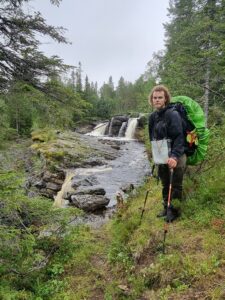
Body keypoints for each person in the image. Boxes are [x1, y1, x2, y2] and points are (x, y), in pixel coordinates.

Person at [148, 85, 186, 222]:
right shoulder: (152, 117)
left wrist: (175, 157)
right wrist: (155, 155)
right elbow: (152, 137)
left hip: (176, 154)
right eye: (155, 98)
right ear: (151, 100)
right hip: (162, 153)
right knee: (165, 182)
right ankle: (166, 206)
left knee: (175, 184)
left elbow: (179, 137)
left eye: (160, 97)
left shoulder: (173, 114)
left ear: (165, 99)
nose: (157, 100)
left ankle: (174, 212)